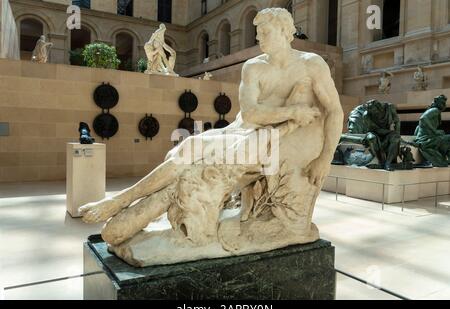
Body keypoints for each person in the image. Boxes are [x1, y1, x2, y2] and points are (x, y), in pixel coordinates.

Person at [80, 8, 343, 260]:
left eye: (265, 32)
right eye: (257, 33)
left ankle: (121, 202)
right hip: (247, 129)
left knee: (200, 164)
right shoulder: (253, 67)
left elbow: (334, 111)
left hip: (282, 142)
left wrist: (325, 158)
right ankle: (121, 201)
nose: (259, 38)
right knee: (189, 146)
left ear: (286, 31)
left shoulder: (311, 64)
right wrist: (292, 111)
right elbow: (250, 114)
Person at [340, 100, 401, 171]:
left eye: (374, 110)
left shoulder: (390, 108)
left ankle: (388, 163)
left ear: (379, 108)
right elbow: (374, 129)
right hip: (375, 132)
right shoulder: (367, 115)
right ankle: (381, 161)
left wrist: (397, 133)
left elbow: (397, 122)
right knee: (371, 138)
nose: (373, 113)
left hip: (387, 133)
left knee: (396, 138)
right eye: (370, 111)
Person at [414, 95, 450, 167]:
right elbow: (423, 119)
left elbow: (418, 127)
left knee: (444, 135)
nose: (444, 105)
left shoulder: (433, 111)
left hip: (424, 138)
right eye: (442, 103)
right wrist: (435, 131)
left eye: (444, 103)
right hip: (425, 140)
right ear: (437, 102)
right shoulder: (435, 110)